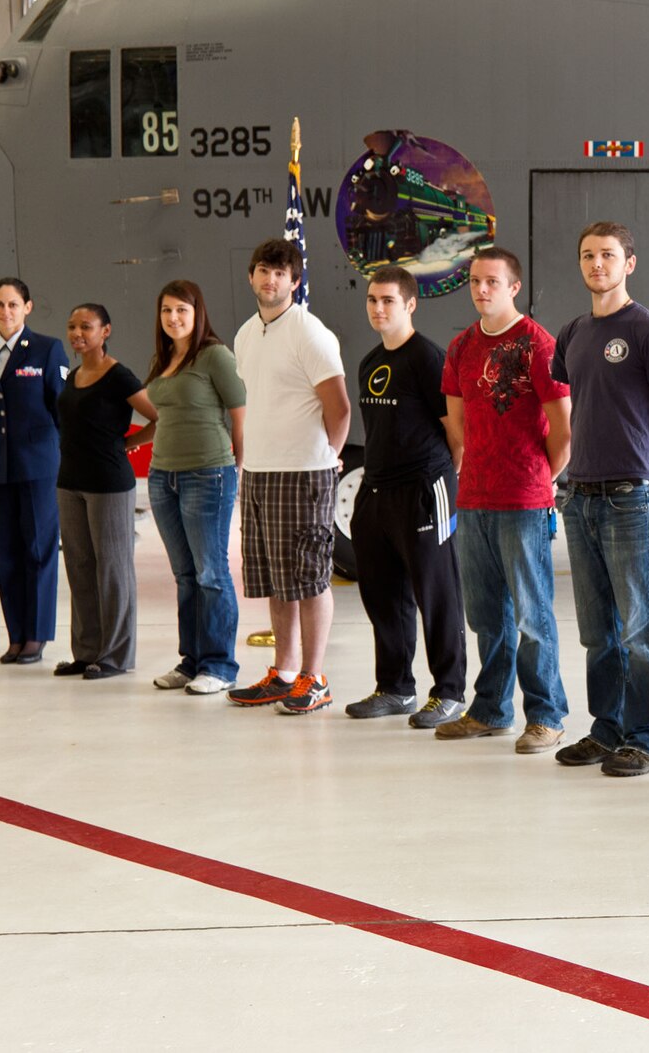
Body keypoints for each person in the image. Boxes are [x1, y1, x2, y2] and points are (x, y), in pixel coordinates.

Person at [549, 222, 649, 777]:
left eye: (608, 255)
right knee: (597, 627)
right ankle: (608, 728)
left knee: (640, 626)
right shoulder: (573, 332)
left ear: (629, 263)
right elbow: (568, 407)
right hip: (580, 497)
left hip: (631, 497)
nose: (596, 264)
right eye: (588, 255)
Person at [437, 249, 571, 753]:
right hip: (473, 498)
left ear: (514, 287)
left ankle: (547, 714)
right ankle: (491, 710)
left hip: (524, 501)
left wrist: (539, 477)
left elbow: (563, 427)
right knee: (486, 613)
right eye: (475, 281)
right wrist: (475, 466)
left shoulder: (538, 345)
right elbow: (456, 421)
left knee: (532, 614)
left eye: (493, 282)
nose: (482, 290)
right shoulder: (461, 348)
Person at [228, 237, 351, 716]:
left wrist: (329, 456)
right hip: (259, 473)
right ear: (252, 276)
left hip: (303, 473)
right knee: (278, 582)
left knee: (309, 578)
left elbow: (338, 407)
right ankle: (282, 673)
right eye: (263, 269)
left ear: (295, 282)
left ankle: (314, 678)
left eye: (281, 272)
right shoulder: (244, 335)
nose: (270, 279)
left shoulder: (310, 333)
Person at [346, 265, 468, 729]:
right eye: (373, 301)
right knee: (384, 595)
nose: (379, 309)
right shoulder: (370, 362)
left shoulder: (428, 359)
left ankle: (449, 692)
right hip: (376, 494)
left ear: (410, 304)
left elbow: (455, 434)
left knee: (437, 593)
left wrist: (441, 483)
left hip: (423, 490)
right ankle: (396, 688)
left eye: (388, 301)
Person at [137, 280, 248, 696]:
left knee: (211, 571)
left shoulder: (215, 355)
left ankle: (220, 665)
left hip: (208, 473)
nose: (174, 318)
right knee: (185, 575)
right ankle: (192, 661)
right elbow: (164, 417)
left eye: (182, 310)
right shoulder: (163, 359)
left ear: (198, 312)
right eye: (167, 310)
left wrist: (237, 467)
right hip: (164, 476)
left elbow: (240, 414)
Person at [53, 303, 157, 681]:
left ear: (105, 332)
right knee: (80, 568)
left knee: (112, 570)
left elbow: (158, 418)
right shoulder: (73, 375)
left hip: (109, 486)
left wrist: (129, 444)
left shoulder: (118, 376)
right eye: (72, 326)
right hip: (70, 482)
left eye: (86, 326)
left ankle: (114, 655)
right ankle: (86, 652)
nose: (78, 333)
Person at [0, 277, 68, 665]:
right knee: (6, 551)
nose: (5, 312)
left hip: (37, 465)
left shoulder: (46, 349)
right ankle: (16, 635)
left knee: (39, 550)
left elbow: (60, 408)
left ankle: (37, 635)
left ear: (27, 307)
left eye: (13, 304)